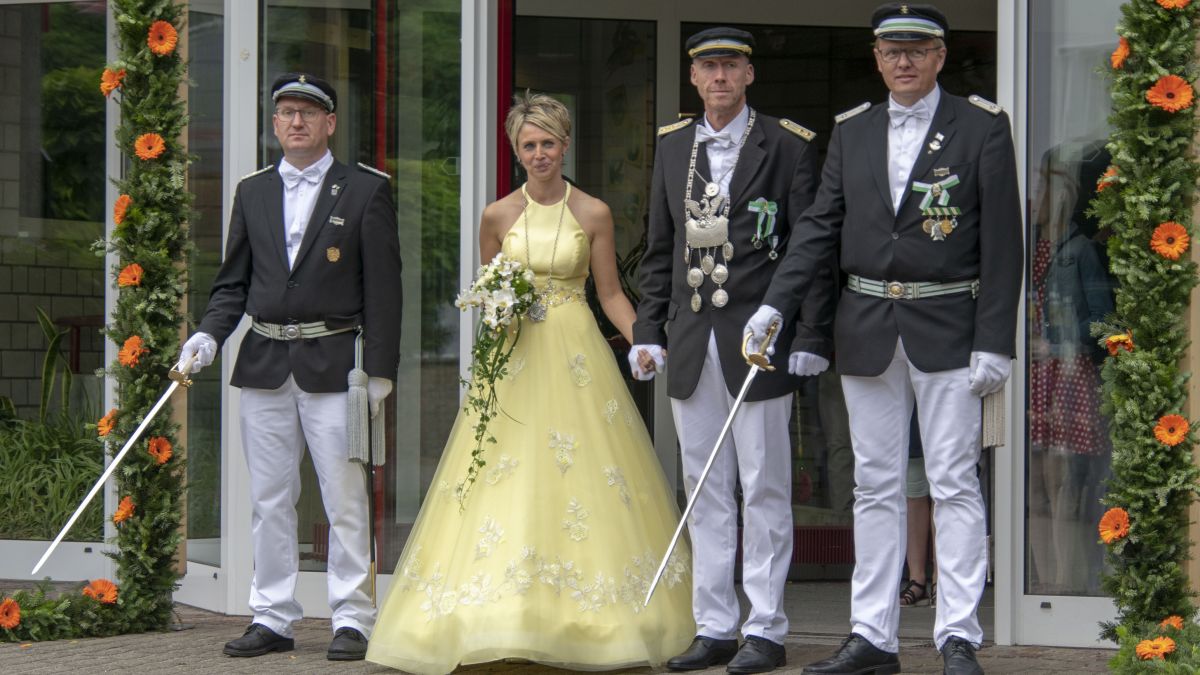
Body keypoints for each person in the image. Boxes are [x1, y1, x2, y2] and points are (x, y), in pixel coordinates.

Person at [365, 92, 694, 674]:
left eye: (548, 143)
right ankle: (498, 613)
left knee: (584, 474)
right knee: (503, 471)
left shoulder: (592, 212)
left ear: (564, 146)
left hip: (575, 351)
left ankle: (595, 618)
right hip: (514, 356)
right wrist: (496, 317)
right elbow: (489, 286)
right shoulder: (497, 214)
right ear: (517, 151)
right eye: (528, 145)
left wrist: (644, 338)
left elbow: (611, 293)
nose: (539, 154)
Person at [743, 5, 1022, 674]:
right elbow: (818, 225)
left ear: (940, 57)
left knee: (954, 479)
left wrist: (997, 340)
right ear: (875, 56)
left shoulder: (982, 126)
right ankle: (873, 634)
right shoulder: (852, 132)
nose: (904, 61)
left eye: (918, 49)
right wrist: (775, 304)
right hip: (867, 325)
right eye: (892, 50)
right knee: (874, 484)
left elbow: (1003, 244)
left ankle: (957, 634)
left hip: (951, 326)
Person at [177, 72, 403, 661]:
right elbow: (233, 283)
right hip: (264, 361)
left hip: (336, 363)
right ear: (274, 123)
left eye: (308, 112)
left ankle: (352, 616)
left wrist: (379, 370)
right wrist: (207, 335)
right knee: (269, 497)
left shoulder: (364, 190)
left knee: (344, 495)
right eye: (286, 113)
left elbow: (384, 290)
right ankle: (272, 616)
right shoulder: (251, 191)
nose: (296, 122)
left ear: (330, 123)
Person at [630, 27, 831, 674]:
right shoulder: (673, 146)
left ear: (749, 75)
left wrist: (806, 333)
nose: (719, 77)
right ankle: (716, 623)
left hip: (757, 340)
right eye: (708, 67)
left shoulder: (788, 146)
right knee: (704, 488)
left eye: (730, 66)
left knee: (765, 486)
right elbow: (659, 249)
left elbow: (810, 249)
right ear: (694, 78)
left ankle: (766, 627)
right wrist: (647, 330)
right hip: (692, 337)